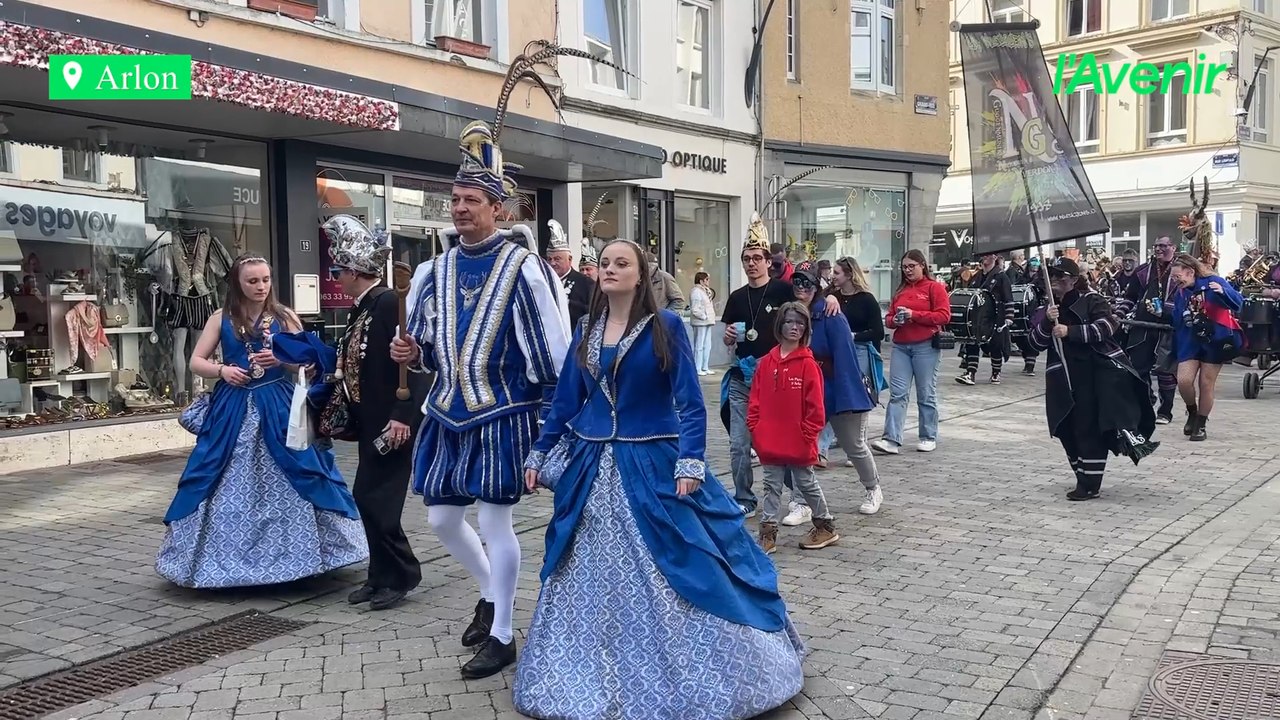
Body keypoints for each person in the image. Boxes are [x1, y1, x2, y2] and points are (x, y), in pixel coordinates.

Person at [515, 240, 805, 720]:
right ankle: (586, 676)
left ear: (641, 274)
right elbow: (567, 399)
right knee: (579, 570)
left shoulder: (665, 326)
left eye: (621, 263)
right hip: (592, 465)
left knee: (684, 558)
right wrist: (541, 449)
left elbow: (690, 403)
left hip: (653, 460)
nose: (609, 269)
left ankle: (704, 676)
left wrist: (691, 461)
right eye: (605, 263)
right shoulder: (586, 329)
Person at [390, 113, 571, 677]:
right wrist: (411, 356)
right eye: (456, 198)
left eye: (472, 198)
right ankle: (491, 591)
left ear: (498, 207)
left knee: (496, 525)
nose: (461, 207)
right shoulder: (432, 270)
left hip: (503, 413)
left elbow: (553, 351)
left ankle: (504, 633)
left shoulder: (526, 269)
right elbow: (424, 343)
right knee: (442, 520)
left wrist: (551, 424)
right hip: (446, 410)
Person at [156, 255, 368, 588]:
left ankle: (307, 558)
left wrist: (285, 359)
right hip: (233, 408)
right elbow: (197, 361)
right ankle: (216, 562)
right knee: (216, 471)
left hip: (279, 405)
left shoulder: (285, 317)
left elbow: (310, 364)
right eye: (252, 281)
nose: (260, 287)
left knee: (301, 468)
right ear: (238, 284)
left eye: (266, 280)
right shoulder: (220, 317)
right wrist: (223, 370)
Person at [322, 215, 425, 611]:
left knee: (375, 497)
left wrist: (402, 415)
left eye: (338, 271)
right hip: (370, 419)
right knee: (368, 497)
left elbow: (414, 367)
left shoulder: (385, 303)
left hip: (391, 421)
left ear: (354, 272)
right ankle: (379, 574)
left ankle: (401, 573)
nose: (335, 278)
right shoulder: (361, 308)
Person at [720, 213, 838, 517]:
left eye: (756, 258)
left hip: (776, 381)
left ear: (768, 261)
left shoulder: (783, 290)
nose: (751, 263)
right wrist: (728, 335)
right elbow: (728, 336)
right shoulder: (736, 297)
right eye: (746, 258)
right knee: (738, 446)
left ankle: (800, 500)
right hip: (742, 378)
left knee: (783, 441)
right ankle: (744, 498)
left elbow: (809, 299)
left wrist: (830, 300)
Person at [1025, 258, 1158, 500]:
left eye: (1060, 277)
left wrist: (1071, 331)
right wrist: (1046, 320)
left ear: (1074, 280)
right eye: (1051, 277)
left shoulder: (1092, 300)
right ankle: (1082, 474)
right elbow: (1033, 344)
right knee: (1065, 427)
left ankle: (1090, 483)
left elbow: (1108, 326)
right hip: (1062, 378)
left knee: (1088, 427)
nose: (1054, 281)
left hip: (1094, 376)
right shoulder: (1047, 309)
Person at [748, 301, 839, 553]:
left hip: (799, 439)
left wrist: (807, 435)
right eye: (789, 321)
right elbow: (754, 400)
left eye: (800, 323)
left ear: (806, 328)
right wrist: (756, 429)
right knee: (771, 485)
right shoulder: (766, 363)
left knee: (806, 483)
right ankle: (767, 533)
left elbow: (816, 408)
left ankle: (825, 526)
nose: (795, 327)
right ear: (780, 325)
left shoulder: (808, 365)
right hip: (770, 440)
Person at [793, 261, 882, 515]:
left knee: (853, 444)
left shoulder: (831, 315)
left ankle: (873, 487)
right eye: (797, 281)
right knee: (803, 446)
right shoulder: (793, 314)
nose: (802, 287)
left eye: (807, 282)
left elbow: (846, 359)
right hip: (806, 389)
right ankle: (801, 501)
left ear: (816, 284)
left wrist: (848, 398)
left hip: (833, 387)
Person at [871, 250, 950, 455]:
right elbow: (888, 318)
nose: (907, 271)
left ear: (922, 265)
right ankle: (891, 438)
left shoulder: (934, 288)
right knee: (898, 394)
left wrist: (915, 315)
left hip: (926, 345)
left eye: (911, 266)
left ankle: (928, 435)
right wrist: (894, 321)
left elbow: (943, 315)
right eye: (904, 267)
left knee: (926, 392)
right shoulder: (900, 291)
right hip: (901, 346)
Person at [1169, 253, 1244, 441]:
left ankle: (1201, 424)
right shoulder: (1181, 292)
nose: (1175, 281)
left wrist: (1222, 291)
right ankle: (1192, 411)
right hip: (1189, 340)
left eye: (1177, 277)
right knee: (1184, 380)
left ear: (1190, 272)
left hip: (1214, 340)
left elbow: (1238, 303)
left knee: (1206, 383)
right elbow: (1177, 319)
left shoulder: (1213, 281)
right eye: (1173, 278)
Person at [1117, 237, 1179, 424]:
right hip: (1142, 327)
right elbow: (1130, 298)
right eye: (1156, 245)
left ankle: (1165, 412)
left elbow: (1188, 299)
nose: (1159, 249)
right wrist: (1117, 314)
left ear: (1173, 248)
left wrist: (1166, 311)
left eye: (1163, 246)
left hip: (1168, 328)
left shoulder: (1181, 270)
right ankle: (1146, 402)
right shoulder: (1143, 271)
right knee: (1137, 368)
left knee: (1166, 372)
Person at [957, 252, 1014, 385]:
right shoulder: (977, 276)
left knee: (995, 344)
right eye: (985, 256)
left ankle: (996, 372)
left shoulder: (1001, 276)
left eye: (989, 256)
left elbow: (1008, 298)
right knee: (972, 341)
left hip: (996, 315)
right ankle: (970, 373)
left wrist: (1009, 317)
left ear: (994, 258)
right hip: (979, 316)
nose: (986, 258)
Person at [546, 220, 595, 326]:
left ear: (570, 259)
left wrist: (567, 303)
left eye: (557, 259)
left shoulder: (586, 283)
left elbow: (593, 313)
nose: (552, 263)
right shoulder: (543, 282)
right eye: (549, 259)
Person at [1006, 250, 1041, 376]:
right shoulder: (1019, 275)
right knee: (1020, 336)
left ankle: (1030, 363)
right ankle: (1028, 362)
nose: (1034, 268)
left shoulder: (1041, 279)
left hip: (1035, 310)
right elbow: (1013, 288)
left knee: (1031, 335)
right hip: (1022, 310)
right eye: (1032, 265)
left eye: (1036, 266)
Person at [689, 271, 717, 375]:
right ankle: (697, 367)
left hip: (707, 321)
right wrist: (704, 316)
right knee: (699, 346)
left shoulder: (706, 291)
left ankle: (705, 366)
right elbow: (695, 309)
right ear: (701, 281)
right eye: (707, 279)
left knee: (707, 345)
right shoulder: (696, 291)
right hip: (700, 322)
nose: (708, 281)